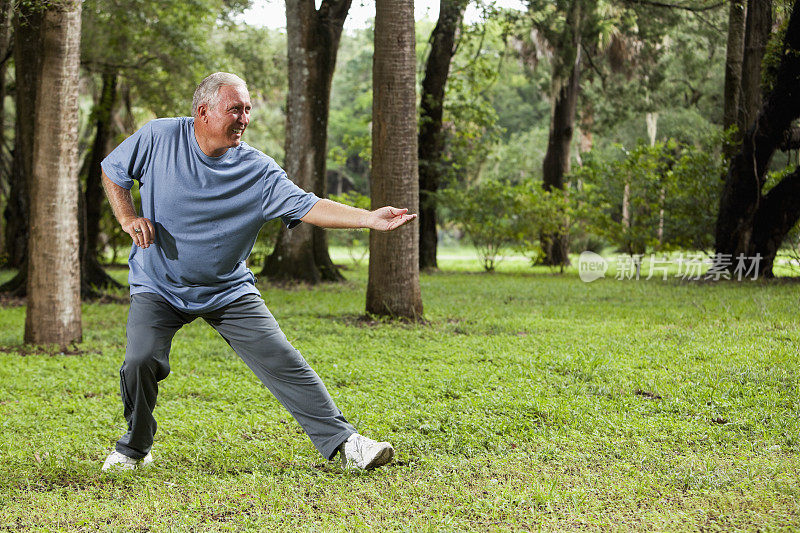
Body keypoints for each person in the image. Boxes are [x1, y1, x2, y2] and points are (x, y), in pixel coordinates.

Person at [100, 72, 415, 472]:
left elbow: (309, 205)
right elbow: (114, 170)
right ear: (204, 112)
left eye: (247, 109)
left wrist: (370, 219)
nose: (244, 118)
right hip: (159, 284)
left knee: (283, 359)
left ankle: (347, 443)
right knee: (139, 360)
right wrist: (128, 218)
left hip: (227, 290)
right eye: (235, 108)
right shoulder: (160, 138)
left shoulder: (257, 170)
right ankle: (135, 448)